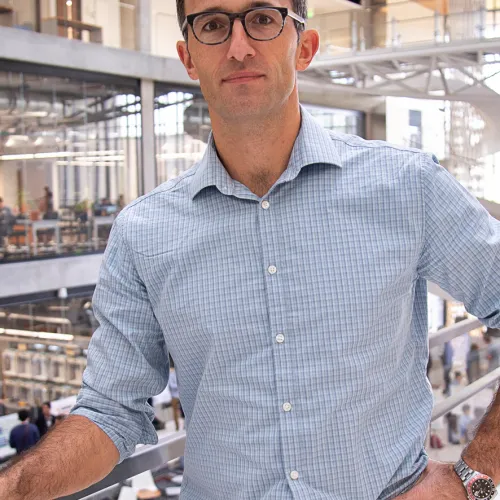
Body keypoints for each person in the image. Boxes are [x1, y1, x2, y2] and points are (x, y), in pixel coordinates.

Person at [1, 1, 499, 499]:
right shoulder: (143, 233)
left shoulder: (407, 186)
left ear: (304, 46)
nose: (238, 47)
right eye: (213, 25)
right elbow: (111, 409)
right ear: (189, 57)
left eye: (262, 19)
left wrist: (473, 479)